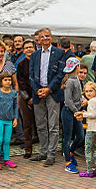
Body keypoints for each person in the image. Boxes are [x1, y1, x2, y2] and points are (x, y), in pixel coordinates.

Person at [28, 28, 66, 165]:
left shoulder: (60, 53)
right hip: (38, 93)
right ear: (38, 38)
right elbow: (31, 75)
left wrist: (49, 89)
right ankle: (43, 152)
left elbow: (61, 74)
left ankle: (51, 154)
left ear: (51, 37)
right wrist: (38, 90)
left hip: (53, 93)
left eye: (47, 36)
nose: (45, 38)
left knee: (53, 126)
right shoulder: (35, 55)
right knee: (40, 125)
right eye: (42, 36)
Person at [0, 73, 19, 170]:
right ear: (1, 81)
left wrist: (15, 118)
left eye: (9, 80)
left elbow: (15, 107)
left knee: (7, 141)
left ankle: (7, 159)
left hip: (9, 120)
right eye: (5, 80)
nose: (8, 82)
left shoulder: (14, 93)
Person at [60, 57, 84, 173]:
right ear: (77, 67)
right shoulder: (70, 81)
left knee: (80, 136)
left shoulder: (76, 80)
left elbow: (77, 97)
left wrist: (82, 101)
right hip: (69, 112)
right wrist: (76, 111)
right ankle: (67, 162)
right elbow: (68, 100)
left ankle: (70, 151)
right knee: (67, 137)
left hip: (75, 111)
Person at [15, 40, 37, 158]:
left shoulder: (38, 62)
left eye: (31, 47)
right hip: (25, 97)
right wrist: (28, 98)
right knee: (27, 124)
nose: (29, 49)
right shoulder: (21, 64)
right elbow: (21, 82)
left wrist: (36, 95)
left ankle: (44, 149)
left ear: (34, 49)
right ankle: (28, 149)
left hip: (39, 96)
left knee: (41, 124)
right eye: (26, 47)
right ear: (23, 50)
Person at [77, 81, 96, 178]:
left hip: (92, 128)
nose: (88, 93)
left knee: (87, 149)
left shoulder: (92, 101)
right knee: (92, 149)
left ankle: (89, 170)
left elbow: (92, 114)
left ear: (95, 91)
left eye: (90, 91)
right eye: (86, 91)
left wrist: (82, 114)